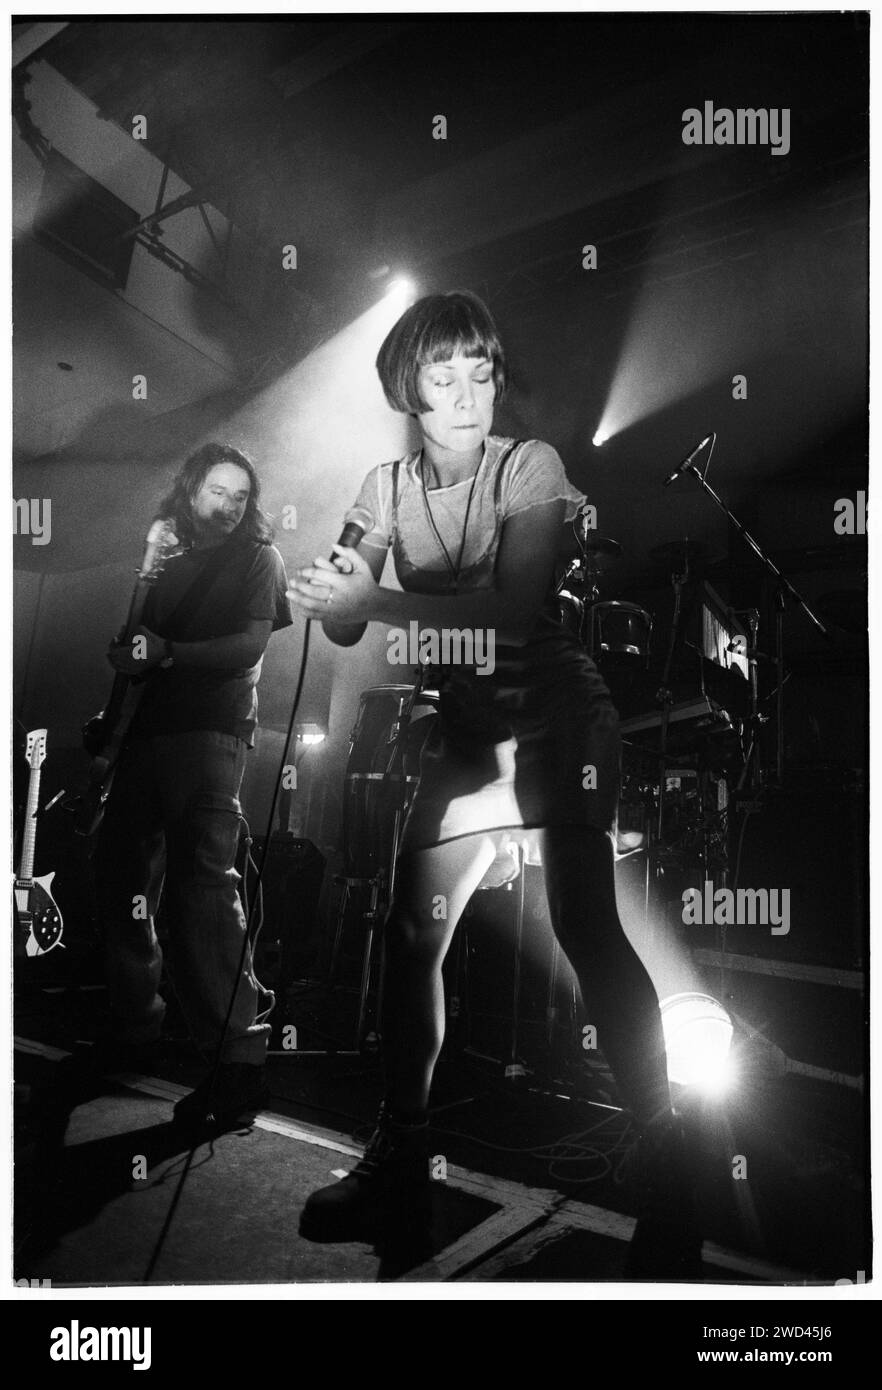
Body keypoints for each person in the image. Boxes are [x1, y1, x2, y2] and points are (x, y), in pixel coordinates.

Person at [289, 292, 700, 1276]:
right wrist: (320, 590)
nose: (470, 392)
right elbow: (344, 621)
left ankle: (671, 1159)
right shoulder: (383, 484)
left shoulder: (532, 467)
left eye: (482, 370)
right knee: (410, 933)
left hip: (561, 715)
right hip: (472, 735)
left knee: (584, 922)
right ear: (408, 386)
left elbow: (512, 616)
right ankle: (401, 1150)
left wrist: (373, 598)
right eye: (445, 374)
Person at [93, 442, 292, 1132]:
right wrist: (116, 709)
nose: (231, 506)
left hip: (210, 735)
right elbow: (135, 649)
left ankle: (237, 1062)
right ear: (191, 491)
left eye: (242, 495)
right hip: (147, 735)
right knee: (120, 873)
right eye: (218, 491)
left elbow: (250, 647)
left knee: (202, 892)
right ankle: (136, 1024)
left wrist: (169, 654)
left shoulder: (258, 558)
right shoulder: (166, 557)